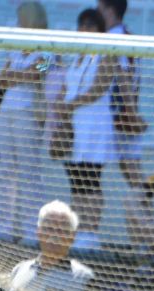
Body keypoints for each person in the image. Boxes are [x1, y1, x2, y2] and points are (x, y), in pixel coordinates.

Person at [0, 1, 53, 244]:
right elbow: (0, 79)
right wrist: (17, 76)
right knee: (7, 170)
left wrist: (15, 76)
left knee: (29, 172)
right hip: (7, 112)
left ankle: (32, 231)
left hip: (29, 114)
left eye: (21, 18)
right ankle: (3, 227)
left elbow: (38, 73)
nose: (18, 23)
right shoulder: (15, 48)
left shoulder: (48, 47)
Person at [56, 8, 115, 251]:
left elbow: (98, 89)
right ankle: (78, 230)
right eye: (82, 25)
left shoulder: (106, 54)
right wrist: (60, 106)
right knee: (76, 180)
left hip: (94, 124)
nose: (85, 30)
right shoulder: (77, 56)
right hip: (74, 124)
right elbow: (66, 85)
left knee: (91, 178)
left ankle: (91, 231)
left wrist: (70, 104)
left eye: (91, 25)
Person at [97, 0, 146, 193]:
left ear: (109, 11)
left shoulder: (116, 38)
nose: (95, 12)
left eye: (98, 8)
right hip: (118, 112)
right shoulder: (125, 35)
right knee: (129, 168)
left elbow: (124, 76)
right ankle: (147, 214)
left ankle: (147, 215)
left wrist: (130, 113)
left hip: (115, 113)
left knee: (127, 168)